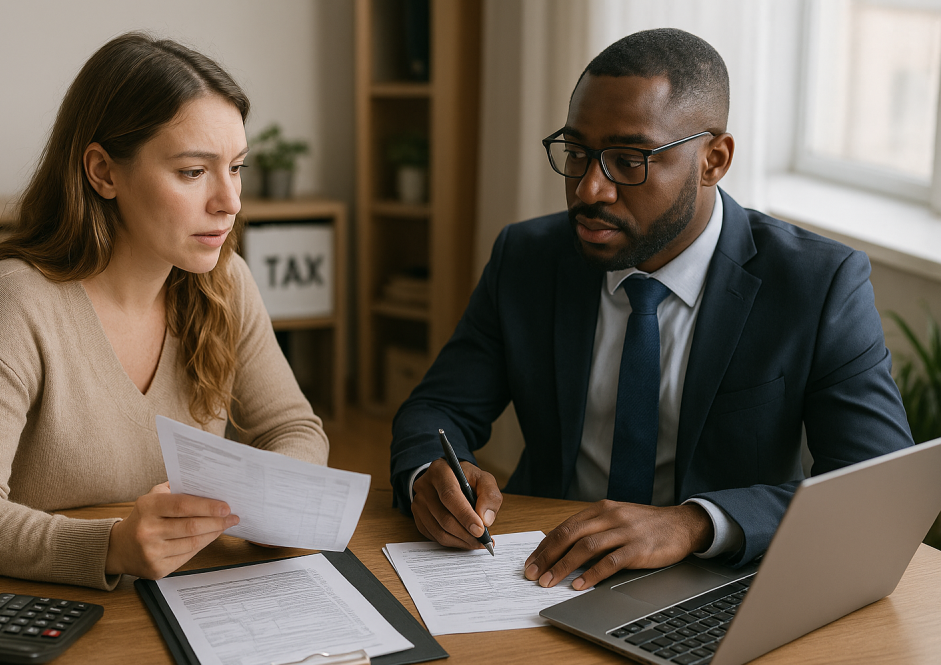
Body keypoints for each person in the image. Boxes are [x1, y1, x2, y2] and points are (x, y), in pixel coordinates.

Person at [390, 28, 913, 591]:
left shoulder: (817, 284)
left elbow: (875, 487)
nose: (590, 190)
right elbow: (439, 407)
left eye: (628, 160)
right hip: (539, 569)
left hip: (715, 581)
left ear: (714, 160)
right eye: (577, 154)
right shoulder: (529, 257)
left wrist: (695, 523)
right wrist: (428, 475)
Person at [0, 33, 329, 590]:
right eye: (193, 172)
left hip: (180, 595)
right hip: (37, 604)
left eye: (236, 167)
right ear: (104, 173)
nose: (230, 201)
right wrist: (109, 547)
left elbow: (292, 427)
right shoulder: (9, 301)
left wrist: (277, 501)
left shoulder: (225, 282)